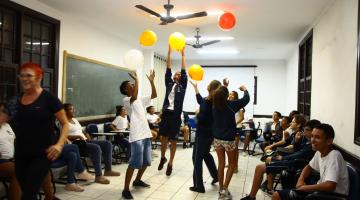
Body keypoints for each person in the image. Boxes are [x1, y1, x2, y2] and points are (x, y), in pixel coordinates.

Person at [0, 63, 69, 200]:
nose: (24, 78)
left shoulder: (49, 99)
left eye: (29, 75)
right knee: (27, 190)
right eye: (22, 75)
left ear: (39, 78)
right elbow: (1, 119)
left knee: (28, 194)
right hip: (21, 154)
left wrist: (59, 144)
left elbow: (65, 123)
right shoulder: (16, 100)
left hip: (43, 155)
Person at [241, 119, 319, 200]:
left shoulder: (312, 145)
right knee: (263, 164)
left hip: (295, 165)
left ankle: (253, 196)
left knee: (260, 167)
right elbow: (297, 150)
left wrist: (282, 157)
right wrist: (296, 141)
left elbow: (299, 154)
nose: (304, 132)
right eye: (304, 129)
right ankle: (265, 188)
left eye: (306, 130)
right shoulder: (306, 140)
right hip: (292, 161)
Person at [272, 123, 349, 200]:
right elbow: (309, 167)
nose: (312, 140)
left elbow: (330, 186)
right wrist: (301, 180)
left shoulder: (334, 156)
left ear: (329, 141)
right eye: (312, 136)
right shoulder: (319, 152)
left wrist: (305, 188)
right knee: (286, 180)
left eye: (317, 137)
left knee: (277, 195)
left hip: (330, 196)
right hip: (320, 193)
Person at [119, 70, 157, 199]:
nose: (132, 84)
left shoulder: (140, 99)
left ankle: (137, 180)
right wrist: (138, 80)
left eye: (132, 83)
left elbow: (154, 94)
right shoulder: (126, 100)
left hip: (145, 134)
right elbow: (134, 96)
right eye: (130, 84)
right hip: (136, 136)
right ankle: (125, 189)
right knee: (134, 163)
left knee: (146, 162)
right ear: (125, 89)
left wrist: (151, 81)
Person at [63, 103, 120, 184]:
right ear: (65, 111)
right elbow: (64, 136)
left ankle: (108, 170)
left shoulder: (74, 120)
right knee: (96, 148)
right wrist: (77, 136)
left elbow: (81, 130)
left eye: (73, 109)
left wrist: (86, 134)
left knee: (107, 144)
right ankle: (98, 176)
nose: (74, 111)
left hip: (85, 140)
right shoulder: (64, 122)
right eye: (71, 109)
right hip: (76, 144)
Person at [212, 84, 250, 199]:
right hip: (229, 139)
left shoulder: (214, 105)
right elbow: (246, 99)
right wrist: (245, 90)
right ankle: (225, 189)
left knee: (221, 164)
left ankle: (220, 188)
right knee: (232, 164)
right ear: (226, 95)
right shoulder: (231, 105)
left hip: (217, 139)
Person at [158, 46, 187, 176]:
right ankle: (163, 157)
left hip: (176, 116)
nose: (177, 74)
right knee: (163, 137)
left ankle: (170, 163)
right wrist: (169, 53)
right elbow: (168, 69)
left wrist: (182, 55)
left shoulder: (183, 86)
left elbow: (184, 70)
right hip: (166, 114)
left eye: (179, 74)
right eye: (176, 73)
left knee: (174, 140)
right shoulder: (169, 84)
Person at [188, 80, 220, 193]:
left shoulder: (211, 101)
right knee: (205, 154)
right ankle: (216, 176)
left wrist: (197, 117)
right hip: (206, 133)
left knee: (196, 159)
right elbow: (200, 101)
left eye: (210, 84)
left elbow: (203, 116)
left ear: (212, 88)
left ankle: (199, 186)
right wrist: (196, 88)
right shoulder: (211, 99)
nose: (208, 85)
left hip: (203, 133)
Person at [0, 103, 20, 200]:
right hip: (2, 161)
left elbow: (16, 142)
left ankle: (49, 197)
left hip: (12, 159)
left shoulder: (7, 125)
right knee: (19, 170)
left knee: (39, 163)